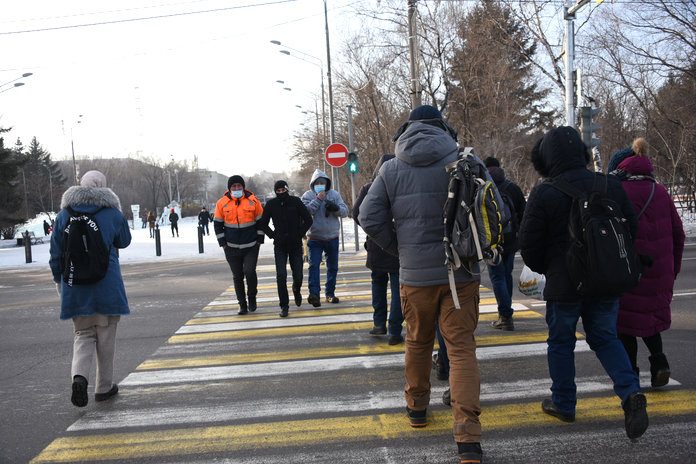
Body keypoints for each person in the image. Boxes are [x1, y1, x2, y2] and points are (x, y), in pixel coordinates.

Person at [358, 105, 483, 464]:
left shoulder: (391, 168)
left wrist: (401, 250)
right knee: (460, 351)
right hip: (461, 274)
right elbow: (498, 212)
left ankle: (416, 409)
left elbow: (368, 216)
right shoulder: (465, 162)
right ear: (444, 129)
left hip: (414, 276)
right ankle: (468, 439)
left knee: (417, 340)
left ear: (406, 130)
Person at [519, 126, 648, 440]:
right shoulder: (609, 184)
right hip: (606, 281)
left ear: (546, 159)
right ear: (582, 153)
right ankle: (631, 394)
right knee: (605, 338)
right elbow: (631, 230)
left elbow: (529, 245)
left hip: (565, 285)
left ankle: (564, 403)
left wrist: (547, 267)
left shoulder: (544, 192)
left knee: (561, 342)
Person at [48, 170, 131, 407]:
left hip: (75, 287)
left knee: (83, 336)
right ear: (104, 186)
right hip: (107, 286)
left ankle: (79, 378)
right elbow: (124, 241)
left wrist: (59, 281)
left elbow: (55, 255)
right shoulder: (112, 213)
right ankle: (104, 387)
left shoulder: (64, 215)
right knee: (106, 338)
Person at [608, 138, 685, 387]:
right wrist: (672, 269)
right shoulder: (660, 191)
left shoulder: (618, 192)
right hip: (659, 270)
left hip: (628, 269)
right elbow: (678, 233)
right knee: (650, 320)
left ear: (620, 168)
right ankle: (660, 363)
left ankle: (631, 374)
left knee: (625, 323)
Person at [353, 154, 404, 345]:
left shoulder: (368, 188)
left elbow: (357, 214)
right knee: (398, 289)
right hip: (399, 245)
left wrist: (374, 230)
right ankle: (395, 330)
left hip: (376, 244)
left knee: (378, 284)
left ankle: (379, 323)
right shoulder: (402, 186)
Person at [483, 156, 526, 331]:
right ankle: (506, 312)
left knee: (497, 277)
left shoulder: (483, 188)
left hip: (492, 241)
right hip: (511, 240)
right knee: (506, 275)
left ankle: (505, 315)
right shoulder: (512, 188)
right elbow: (524, 213)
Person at [259, 180, 313, 317]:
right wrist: (273, 235)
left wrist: (300, 233)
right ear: (275, 191)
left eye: (283, 190)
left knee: (298, 275)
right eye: (278, 191)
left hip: (295, 244)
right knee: (281, 275)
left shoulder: (295, 201)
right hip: (280, 245)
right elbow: (263, 223)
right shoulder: (271, 204)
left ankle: (296, 289)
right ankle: (284, 306)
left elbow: (308, 220)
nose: (281, 193)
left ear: (287, 190)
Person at [214, 175, 264, 315]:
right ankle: (242, 304)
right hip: (231, 247)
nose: (236, 189)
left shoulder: (253, 201)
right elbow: (217, 225)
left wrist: (259, 240)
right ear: (229, 189)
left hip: (251, 246)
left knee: (249, 272)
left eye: (239, 186)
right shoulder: (221, 203)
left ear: (243, 187)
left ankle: (252, 297)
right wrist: (223, 244)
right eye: (234, 187)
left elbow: (261, 222)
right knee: (237, 276)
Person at [301, 169, 348, 308]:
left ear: (327, 183)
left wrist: (335, 208)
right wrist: (318, 199)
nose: (321, 184)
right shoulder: (308, 195)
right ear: (313, 184)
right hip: (315, 238)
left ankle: (330, 293)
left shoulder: (334, 194)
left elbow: (345, 212)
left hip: (332, 236)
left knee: (332, 267)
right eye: (318, 183)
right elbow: (306, 211)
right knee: (314, 265)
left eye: (323, 182)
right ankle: (314, 294)